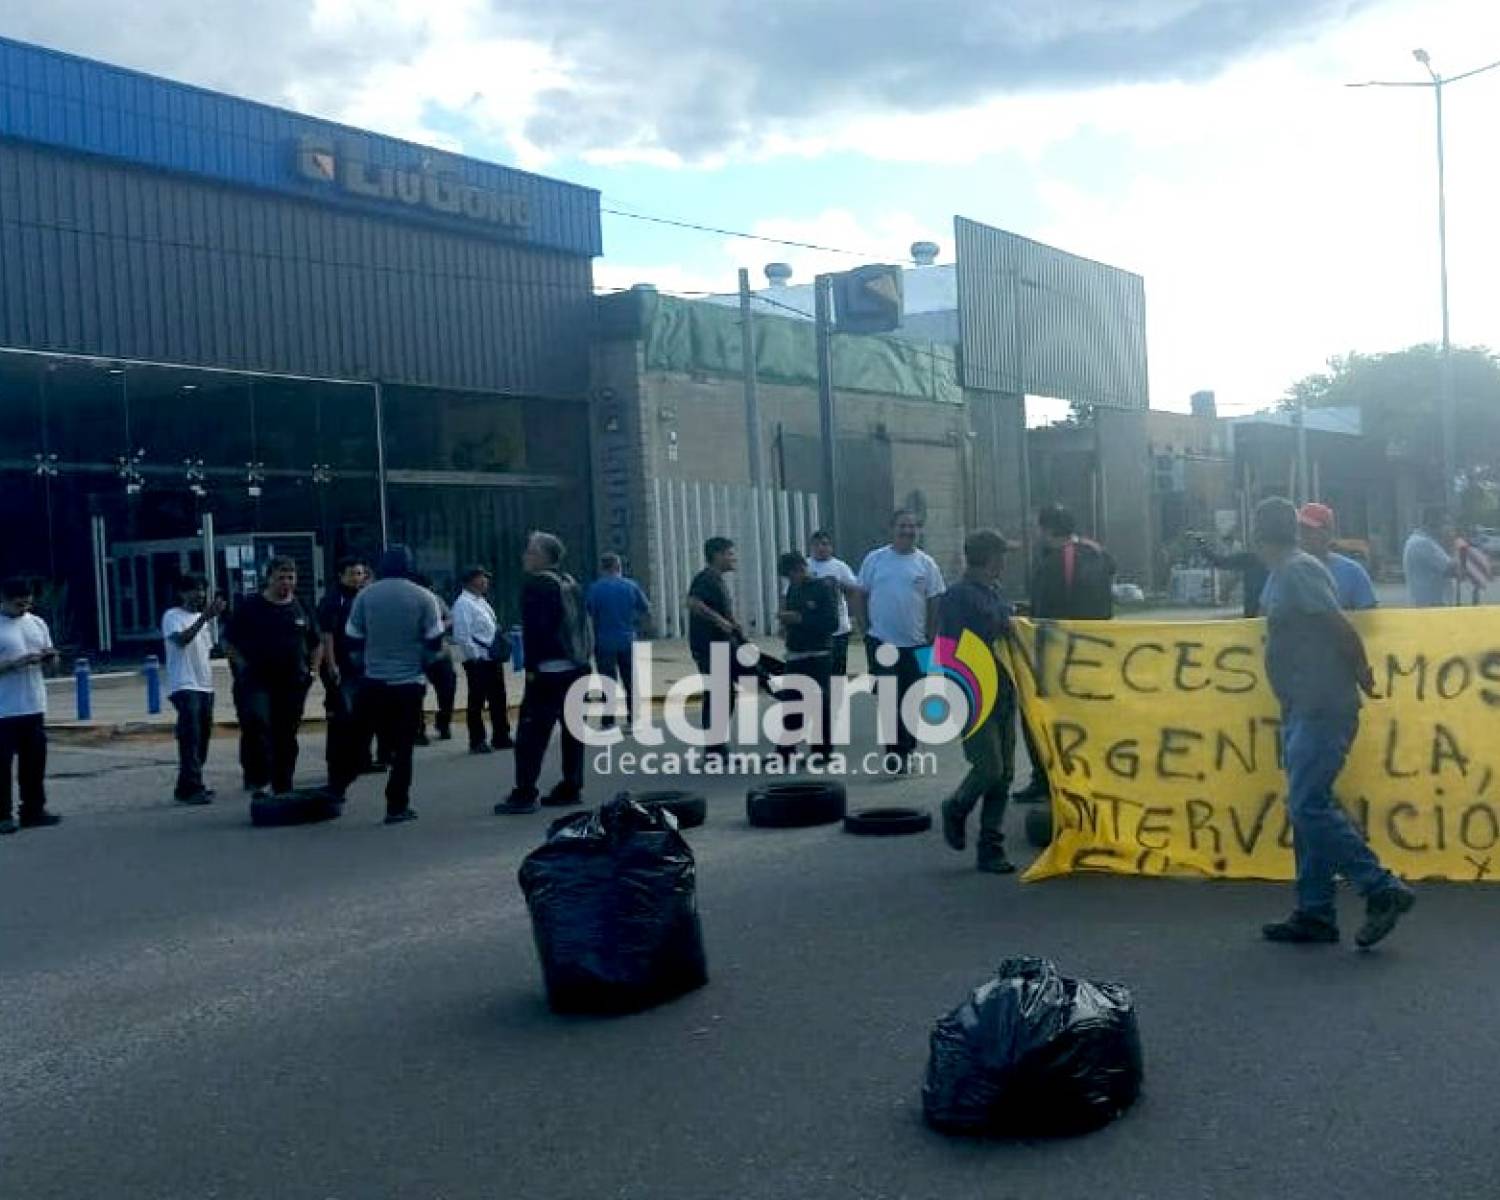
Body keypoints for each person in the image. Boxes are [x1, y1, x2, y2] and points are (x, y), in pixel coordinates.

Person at [1254, 496, 1415, 948]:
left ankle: (1380, 887)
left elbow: (1338, 625)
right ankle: (1315, 911)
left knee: (1308, 805)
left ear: (1258, 536)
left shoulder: (1297, 570)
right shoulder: (1284, 571)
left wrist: (1361, 672)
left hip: (1322, 706)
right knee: (1306, 807)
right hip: (1303, 705)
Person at [1013, 504, 1115, 802]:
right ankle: (1089, 775)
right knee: (1086, 716)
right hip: (1096, 650)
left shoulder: (1053, 564)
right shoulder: (1097, 552)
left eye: (1037, 527)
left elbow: (1045, 613)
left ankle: (1044, 779)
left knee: (1038, 715)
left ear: (1047, 529)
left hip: (1059, 654)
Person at [340, 546, 445, 825]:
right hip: (408, 684)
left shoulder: (365, 595)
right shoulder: (424, 597)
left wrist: (364, 664)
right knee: (403, 748)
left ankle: (336, 789)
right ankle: (396, 806)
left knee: (358, 740)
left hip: (373, 682)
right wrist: (422, 661)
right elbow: (435, 640)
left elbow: (352, 638)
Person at [938, 530, 1019, 874]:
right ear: (989, 558)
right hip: (974, 692)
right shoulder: (957, 597)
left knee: (1005, 774)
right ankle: (957, 806)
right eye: (1002, 556)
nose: (1005, 563)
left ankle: (991, 847)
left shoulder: (993, 593)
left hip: (1004, 690)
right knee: (989, 767)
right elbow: (952, 646)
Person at [496, 532, 593, 814]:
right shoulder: (570, 582)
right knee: (573, 731)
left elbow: (536, 632)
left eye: (529, 551)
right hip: (577, 667)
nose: (524, 556)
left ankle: (525, 792)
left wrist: (531, 670)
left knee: (531, 735)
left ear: (542, 556)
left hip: (548, 672)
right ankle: (571, 785)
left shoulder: (536, 586)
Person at [222, 557, 321, 798]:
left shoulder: (301, 606)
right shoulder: (251, 606)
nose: (286, 582)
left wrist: (313, 671)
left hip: (292, 682)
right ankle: (258, 779)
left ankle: (283, 785)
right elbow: (228, 642)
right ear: (269, 579)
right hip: (256, 681)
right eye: (280, 578)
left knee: (286, 734)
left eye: (290, 578)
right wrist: (242, 667)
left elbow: (315, 642)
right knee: (257, 723)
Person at [856, 510, 946, 772]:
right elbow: (860, 594)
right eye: (902, 526)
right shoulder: (875, 559)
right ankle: (894, 754)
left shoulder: (927, 564)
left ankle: (908, 749)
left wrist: (932, 634)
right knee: (888, 699)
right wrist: (865, 628)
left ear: (918, 530)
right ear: (892, 529)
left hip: (919, 644)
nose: (907, 531)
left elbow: (935, 600)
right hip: (880, 641)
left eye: (912, 526)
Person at [0, 578, 61, 834]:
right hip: (4, 708)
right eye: (18, 604)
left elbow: (53, 664)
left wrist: (50, 659)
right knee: (2, 765)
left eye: (27, 603)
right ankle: (2, 815)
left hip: (34, 704)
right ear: (4, 599)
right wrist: (16, 663)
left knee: (34, 763)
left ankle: (33, 810)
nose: (23, 608)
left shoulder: (37, 623)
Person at [161, 574, 226, 804]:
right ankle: (192, 787)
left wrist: (206, 618)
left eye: (202, 590)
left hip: (204, 685)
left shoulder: (202, 619)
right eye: (194, 590)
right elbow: (181, 640)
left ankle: (186, 785)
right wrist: (205, 618)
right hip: (184, 684)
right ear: (181, 593)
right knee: (191, 736)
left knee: (203, 736)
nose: (199, 594)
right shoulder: (172, 616)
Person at [318, 556, 382, 785]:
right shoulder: (333, 600)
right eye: (353, 573)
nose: (358, 578)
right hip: (341, 666)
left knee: (364, 714)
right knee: (341, 717)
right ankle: (336, 765)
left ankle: (363, 760)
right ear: (341, 575)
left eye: (361, 573)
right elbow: (327, 635)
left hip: (363, 666)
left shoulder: (363, 597)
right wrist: (331, 664)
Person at [685, 537, 744, 761]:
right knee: (720, 694)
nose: (733, 558)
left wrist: (734, 626)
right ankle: (714, 749)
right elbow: (693, 603)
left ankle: (716, 747)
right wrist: (720, 621)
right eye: (729, 553)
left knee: (724, 694)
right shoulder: (706, 578)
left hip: (721, 645)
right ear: (717, 555)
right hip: (710, 646)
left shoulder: (716, 580)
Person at [776, 550, 839, 758]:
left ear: (802, 568)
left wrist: (800, 619)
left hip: (818, 653)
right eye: (788, 576)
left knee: (818, 703)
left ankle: (822, 750)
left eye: (794, 573)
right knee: (792, 701)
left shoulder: (822, 588)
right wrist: (785, 625)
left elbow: (831, 623)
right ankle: (786, 749)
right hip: (796, 653)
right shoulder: (793, 589)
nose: (792, 579)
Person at [451, 565, 512, 754]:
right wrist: (475, 656)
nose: (485, 581)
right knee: (477, 701)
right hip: (478, 660)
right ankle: (477, 740)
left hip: (491, 658)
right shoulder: (463, 604)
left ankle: (501, 735)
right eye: (480, 577)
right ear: (470, 581)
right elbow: (462, 635)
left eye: (485, 577)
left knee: (498, 698)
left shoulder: (481, 601)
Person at [585, 553, 651, 727]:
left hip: (603, 641)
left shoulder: (595, 589)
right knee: (630, 680)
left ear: (602, 568)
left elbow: (588, 613)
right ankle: (633, 717)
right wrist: (635, 623)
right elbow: (646, 608)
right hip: (627, 639)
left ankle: (608, 720)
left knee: (607, 681)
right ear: (618, 566)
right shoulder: (631, 586)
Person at [1296, 502, 1377, 611]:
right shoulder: (1285, 570)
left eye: (1308, 529)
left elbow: (1369, 614)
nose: (1302, 535)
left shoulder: (1352, 572)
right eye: (1300, 529)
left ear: (1327, 533)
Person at [807, 530, 860, 677]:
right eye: (817, 545)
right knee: (816, 671)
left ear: (831, 547)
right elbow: (788, 593)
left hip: (839, 628)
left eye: (824, 544)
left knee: (837, 669)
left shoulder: (840, 567)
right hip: (812, 629)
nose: (821, 548)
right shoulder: (805, 567)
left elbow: (854, 590)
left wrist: (837, 585)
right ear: (811, 547)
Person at [415, 574, 457, 745]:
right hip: (416, 656)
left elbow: (450, 618)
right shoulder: (408, 603)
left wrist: (439, 626)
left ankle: (443, 723)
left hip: (440, 654)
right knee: (416, 693)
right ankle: (418, 730)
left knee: (448, 688)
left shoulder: (436, 600)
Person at [1403, 507, 1457, 608]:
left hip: (1427, 605)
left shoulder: (1420, 541)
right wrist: (1452, 546)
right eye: (1446, 523)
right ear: (1433, 522)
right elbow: (1452, 570)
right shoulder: (1423, 543)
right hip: (1430, 606)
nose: (1450, 528)